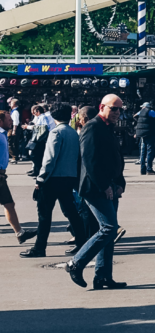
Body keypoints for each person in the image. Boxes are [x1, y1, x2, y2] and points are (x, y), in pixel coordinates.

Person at [66, 94, 128, 290]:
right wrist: (104, 186)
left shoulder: (108, 128)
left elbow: (116, 158)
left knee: (109, 233)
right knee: (109, 228)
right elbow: (90, 161)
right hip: (95, 187)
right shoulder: (92, 127)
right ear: (102, 107)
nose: (117, 112)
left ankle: (102, 276)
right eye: (113, 108)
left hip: (110, 185)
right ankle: (76, 263)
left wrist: (119, 182)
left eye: (120, 109)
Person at [21, 103, 87, 258]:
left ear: (53, 116)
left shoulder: (56, 133)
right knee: (71, 211)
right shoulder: (73, 133)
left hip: (53, 178)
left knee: (44, 214)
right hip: (69, 177)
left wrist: (41, 178)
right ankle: (82, 242)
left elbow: (50, 159)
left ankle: (40, 247)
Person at [1, 108, 36, 244]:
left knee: (9, 204)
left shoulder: (3, 134)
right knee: (9, 204)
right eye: (9, 120)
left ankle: (20, 233)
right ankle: (19, 233)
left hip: (2, 175)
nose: (12, 122)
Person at [134, 102, 155, 175]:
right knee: (150, 151)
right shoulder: (150, 111)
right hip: (149, 133)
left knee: (143, 152)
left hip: (142, 134)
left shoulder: (140, 112)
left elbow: (134, 116)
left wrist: (140, 122)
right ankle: (149, 169)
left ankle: (142, 169)